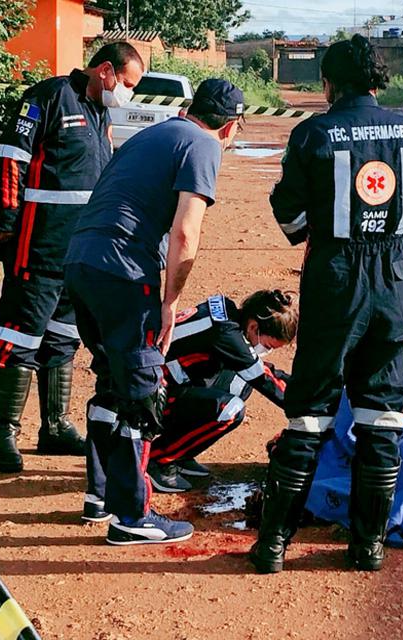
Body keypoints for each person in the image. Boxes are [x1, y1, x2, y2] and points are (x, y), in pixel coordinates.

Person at [252, 33, 403, 574]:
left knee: (308, 413)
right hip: (396, 279)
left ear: (328, 82)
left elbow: (288, 215)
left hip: (334, 277)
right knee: (382, 417)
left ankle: (272, 548)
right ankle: (368, 548)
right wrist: (388, 230)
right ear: (379, 80)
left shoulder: (312, 134)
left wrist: (334, 227)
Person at [63, 79, 244, 544]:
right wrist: (170, 302)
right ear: (230, 125)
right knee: (144, 391)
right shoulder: (204, 144)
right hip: (126, 269)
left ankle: (99, 497)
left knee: (111, 380)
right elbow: (186, 233)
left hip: (82, 260)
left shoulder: (155, 134)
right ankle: (133, 517)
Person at [0, 43, 144, 473]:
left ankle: (55, 426)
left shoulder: (100, 113)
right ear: (105, 70)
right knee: (20, 337)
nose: (124, 94)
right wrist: (9, 215)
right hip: (38, 244)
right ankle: (6, 434)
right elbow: (11, 156)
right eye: (124, 84)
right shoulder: (48, 97)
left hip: (81, 252)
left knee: (62, 337)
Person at [145, 291, 297, 493]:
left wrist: (306, 387)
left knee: (239, 383)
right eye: (268, 346)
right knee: (230, 409)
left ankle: (180, 452)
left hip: (172, 380)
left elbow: (261, 368)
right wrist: (306, 406)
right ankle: (158, 459)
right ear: (253, 326)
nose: (266, 350)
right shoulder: (226, 334)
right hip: (150, 394)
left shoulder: (228, 319)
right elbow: (264, 379)